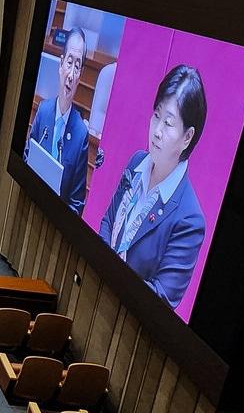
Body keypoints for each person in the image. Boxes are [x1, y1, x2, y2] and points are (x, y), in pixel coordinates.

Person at [96, 65, 208, 308]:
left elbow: (161, 298)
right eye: (156, 115)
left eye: (168, 123)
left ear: (187, 137)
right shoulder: (137, 162)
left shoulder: (189, 220)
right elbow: (108, 221)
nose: (156, 131)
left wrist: (113, 283)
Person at [25, 28, 91, 213]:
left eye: (77, 66)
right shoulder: (44, 111)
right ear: (61, 65)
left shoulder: (80, 134)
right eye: (70, 62)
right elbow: (26, 158)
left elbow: (77, 203)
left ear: (80, 75)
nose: (71, 74)